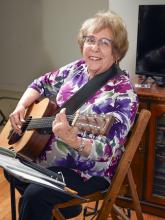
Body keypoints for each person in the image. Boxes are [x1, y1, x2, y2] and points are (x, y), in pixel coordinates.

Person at [6, 10, 138, 220]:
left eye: (104, 42)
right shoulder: (76, 69)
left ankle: (52, 207)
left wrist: (73, 141)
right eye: (90, 40)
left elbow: (107, 150)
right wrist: (21, 106)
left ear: (117, 52)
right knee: (11, 168)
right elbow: (40, 83)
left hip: (85, 172)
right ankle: (65, 208)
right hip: (45, 159)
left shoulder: (123, 94)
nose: (94, 48)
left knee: (35, 196)